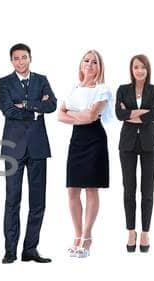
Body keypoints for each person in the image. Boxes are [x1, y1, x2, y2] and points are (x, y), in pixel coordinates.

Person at [0, 43, 56, 263]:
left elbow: (52, 105)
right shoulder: (3, 82)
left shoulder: (41, 80)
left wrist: (25, 104)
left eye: (24, 57)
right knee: (12, 199)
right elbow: (7, 109)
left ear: (30, 58)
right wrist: (34, 110)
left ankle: (30, 249)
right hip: (13, 148)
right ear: (11, 61)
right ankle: (10, 250)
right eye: (16, 58)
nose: (20, 62)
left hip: (38, 147)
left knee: (38, 201)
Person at [58, 50, 113, 256]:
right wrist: (80, 116)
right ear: (81, 64)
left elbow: (91, 116)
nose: (90, 64)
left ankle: (87, 237)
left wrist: (75, 114)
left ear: (99, 67)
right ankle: (77, 234)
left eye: (94, 62)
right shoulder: (73, 88)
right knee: (72, 189)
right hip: (77, 139)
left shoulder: (102, 89)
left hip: (95, 139)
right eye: (86, 60)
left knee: (91, 188)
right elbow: (59, 116)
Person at [115, 55, 154, 249]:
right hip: (127, 144)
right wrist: (142, 112)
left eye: (143, 67)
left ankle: (145, 233)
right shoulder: (123, 89)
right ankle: (131, 231)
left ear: (148, 69)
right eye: (136, 67)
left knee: (147, 190)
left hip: (149, 144)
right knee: (129, 189)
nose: (139, 70)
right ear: (131, 69)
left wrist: (130, 113)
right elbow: (119, 114)